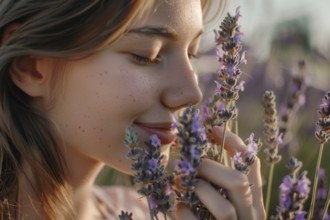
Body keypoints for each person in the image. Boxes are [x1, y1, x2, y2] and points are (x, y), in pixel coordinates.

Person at [0, 0, 265, 219]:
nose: (191, 93)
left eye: (192, 54)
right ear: (31, 66)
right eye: (147, 55)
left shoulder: (151, 212)